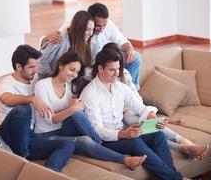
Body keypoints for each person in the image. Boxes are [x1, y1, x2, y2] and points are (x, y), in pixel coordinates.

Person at [80, 47, 190, 180]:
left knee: (158, 135)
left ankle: (171, 176)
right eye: (112, 70)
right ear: (100, 68)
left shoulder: (120, 87)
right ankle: (176, 178)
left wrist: (154, 119)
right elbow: (96, 130)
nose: (116, 74)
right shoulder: (90, 93)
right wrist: (123, 134)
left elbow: (140, 108)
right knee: (135, 143)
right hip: (105, 141)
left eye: (118, 69)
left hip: (123, 133)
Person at [34, 51, 146, 171]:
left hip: (65, 130)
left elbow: (86, 100)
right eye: (72, 69)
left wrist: (75, 107)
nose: (74, 75)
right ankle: (121, 157)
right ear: (61, 65)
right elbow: (51, 120)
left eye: (77, 72)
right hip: (46, 134)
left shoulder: (72, 86)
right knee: (85, 139)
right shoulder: (42, 85)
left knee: (77, 113)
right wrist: (71, 109)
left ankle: (100, 143)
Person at [101, 43, 209, 160]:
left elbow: (135, 97)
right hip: (118, 117)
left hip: (131, 109)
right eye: (112, 67)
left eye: (118, 64)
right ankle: (183, 144)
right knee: (138, 124)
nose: (117, 70)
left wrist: (143, 112)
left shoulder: (124, 75)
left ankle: (186, 143)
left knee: (145, 122)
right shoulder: (99, 81)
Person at [0, 44, 75, 172]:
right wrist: (32, 99)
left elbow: (55, 77)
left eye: (36, 66)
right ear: (18, 67)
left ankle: (49, 173)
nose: (35, 70)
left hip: (28, 137)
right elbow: (7, 99)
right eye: (31, 67)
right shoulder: (6, 84)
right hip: (7, 135)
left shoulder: (35, 79)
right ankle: (21, 160)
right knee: (24, 108)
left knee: (68, 144)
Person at [41, 3, 141, 90]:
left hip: (97, 61)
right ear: (88, 20)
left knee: (135, 58)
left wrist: (129, 49)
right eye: (97, 26)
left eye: (104, 26)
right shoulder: (71, 30)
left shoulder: (107, 24)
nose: (101, 29)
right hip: (86, 67)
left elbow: (122, 41)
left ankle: (132, 91)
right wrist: (46, 39)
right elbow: (51, 47)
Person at [37, 10, 94, 78]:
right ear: (78, 28)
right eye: (88, 29)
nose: (91, 33)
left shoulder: (84, 42)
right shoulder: (58, 39)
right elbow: (41, 66)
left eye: (92, 29)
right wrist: (55, 79)